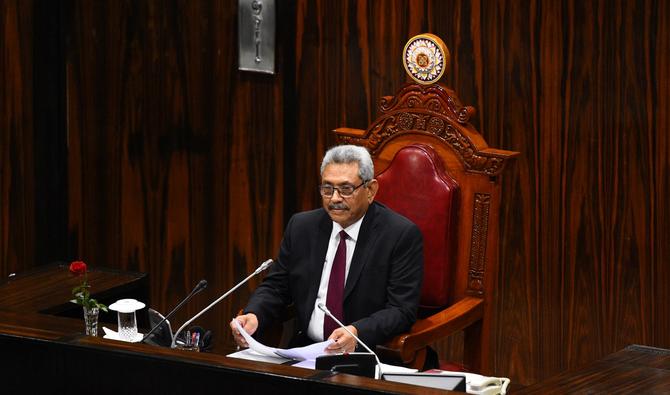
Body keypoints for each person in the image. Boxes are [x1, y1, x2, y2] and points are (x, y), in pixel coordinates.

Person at [231, 145, 423, 355]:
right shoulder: (302, 227)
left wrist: (358, 331)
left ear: (370, 190)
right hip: (304, 352)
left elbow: (401, 310)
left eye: (346, 189)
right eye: (327, 188)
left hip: (366, 355)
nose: (335, 198)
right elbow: (277, 286)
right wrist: (255, 314)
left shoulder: (399, 235)